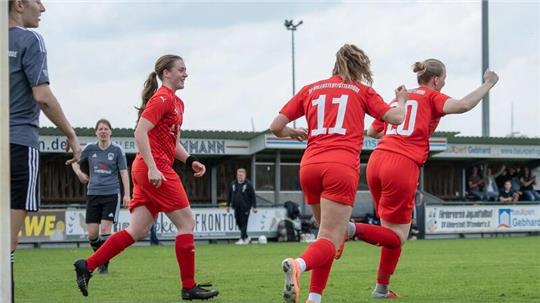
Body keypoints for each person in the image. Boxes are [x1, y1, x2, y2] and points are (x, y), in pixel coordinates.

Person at [73, 54, 219, 300]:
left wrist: (191, 160)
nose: (186, 74)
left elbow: (172, 143)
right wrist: (153, 168)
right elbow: (139, 132)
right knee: (187, 224)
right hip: (155, 169)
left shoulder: (177, 103)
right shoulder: (161, 98)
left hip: (149, 169)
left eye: (186, 70)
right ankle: (188, 286)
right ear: (166, 74)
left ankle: (86, 265)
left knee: (137, 230)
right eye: (181, 70)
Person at [270, 44, 408, 303]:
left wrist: (293, 133)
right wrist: (401, 100)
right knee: (330, 239)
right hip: (340, 167)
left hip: (309, 166)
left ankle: (314, 297)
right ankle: (298, 264)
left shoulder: (310, 89)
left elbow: (276, 126)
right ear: (360, 67)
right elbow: (397, 118)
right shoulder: (361, 90)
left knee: (329, 236)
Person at [360, 59, 498, 298]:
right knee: (397, 236)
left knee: (389, 231)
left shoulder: (398, 98)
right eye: (444, 78)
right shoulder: (431, 96)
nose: (444, 83)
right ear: (435, 79)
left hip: (377, 160)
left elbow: (372, 132)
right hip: (401, 165)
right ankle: (347, 229)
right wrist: (488, 83)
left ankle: (381, 289)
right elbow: (464, 105)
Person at [9, 0, 81, 300]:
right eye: (38, 0)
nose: (43, 8)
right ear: (19, 4)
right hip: (17, 143)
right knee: (6, 245)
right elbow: (43, 96)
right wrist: (72, 135)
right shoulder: (30, 39)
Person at [71, 118, 131, 274]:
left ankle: (103, 264)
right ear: (96, 132)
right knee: (92, 233)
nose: (103, 131)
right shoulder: (90, 149)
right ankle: (100, 258)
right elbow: (74, 161)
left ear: (110, 132)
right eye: (100, 129)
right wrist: (79, 173)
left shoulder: (117, 150)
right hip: (93, 194)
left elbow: (124, 172)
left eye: (106, 129)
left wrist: (127, 194)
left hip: (111, 194)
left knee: (105, 229)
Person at [227, 168, 257, 244]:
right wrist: (228, 205)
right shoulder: (233, 184)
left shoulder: (248, 184)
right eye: (238, 175)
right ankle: (246, 237)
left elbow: (253, 196)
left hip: (245, 207)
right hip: (236, 207)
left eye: (241, 175)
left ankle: (242, 238)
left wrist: (254, 206)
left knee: (244, 223)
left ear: (244, 175)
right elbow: (229, 195)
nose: (239, 177)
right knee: (238, 222)